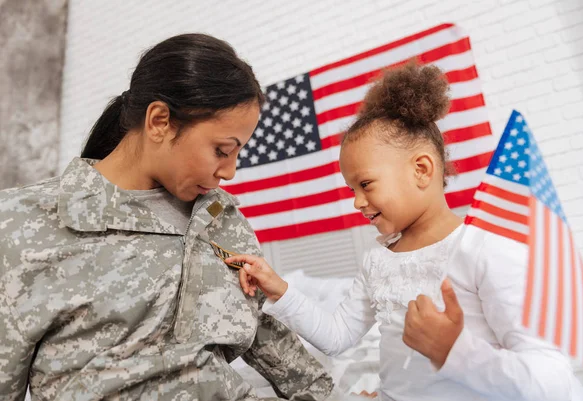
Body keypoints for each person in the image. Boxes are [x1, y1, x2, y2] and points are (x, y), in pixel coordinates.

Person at [226, 62, 583, 401]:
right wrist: (279, 288)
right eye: (352, 189)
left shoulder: (485, 249)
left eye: (366, 184)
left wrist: (454, 352)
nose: (357, 202)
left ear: (421, 170)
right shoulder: (378, 259)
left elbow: (550, 379)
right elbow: (337, 338)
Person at [0, 33, 335, 400]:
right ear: (160, 121)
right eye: (222, 150)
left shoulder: (221, 219)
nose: (230, 172)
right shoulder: (21, 223)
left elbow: (260, 329)